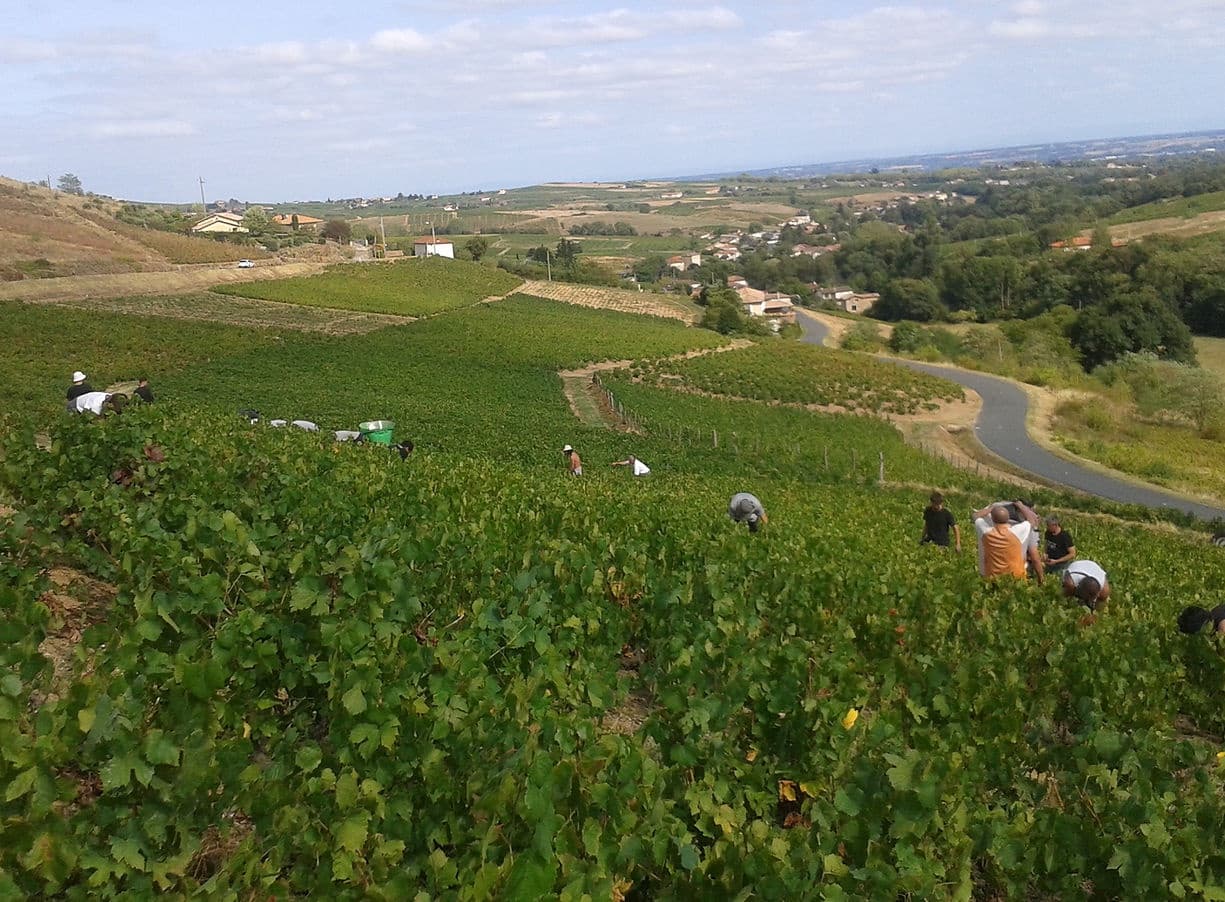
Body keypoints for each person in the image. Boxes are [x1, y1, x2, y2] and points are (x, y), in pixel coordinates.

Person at [974, 504, 1043, 584]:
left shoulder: (985, 531)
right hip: (1016, 578)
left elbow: (975, 516)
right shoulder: (1018, 532)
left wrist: (992, 507)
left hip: (992, 577)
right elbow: (1032, 520)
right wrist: (1020, 505)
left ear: (992, 518)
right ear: (1007, 518)